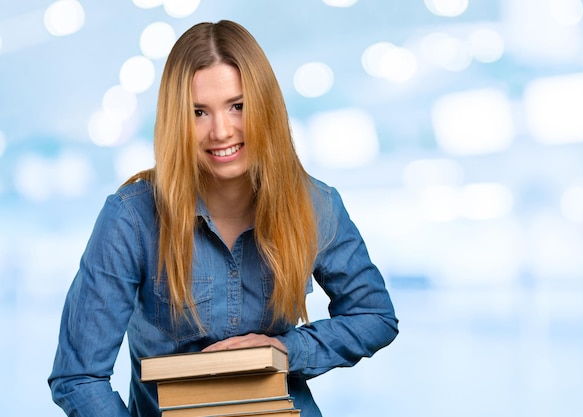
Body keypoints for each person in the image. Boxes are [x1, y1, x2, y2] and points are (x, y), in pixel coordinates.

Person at [48, 20, 398, 417]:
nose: (221, 131)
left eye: (238, 106)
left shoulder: (315, 204)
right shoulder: (131, 217)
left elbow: (374, 315)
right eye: (198, 112)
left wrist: (285, 349)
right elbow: (78, 377)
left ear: (264, 106)